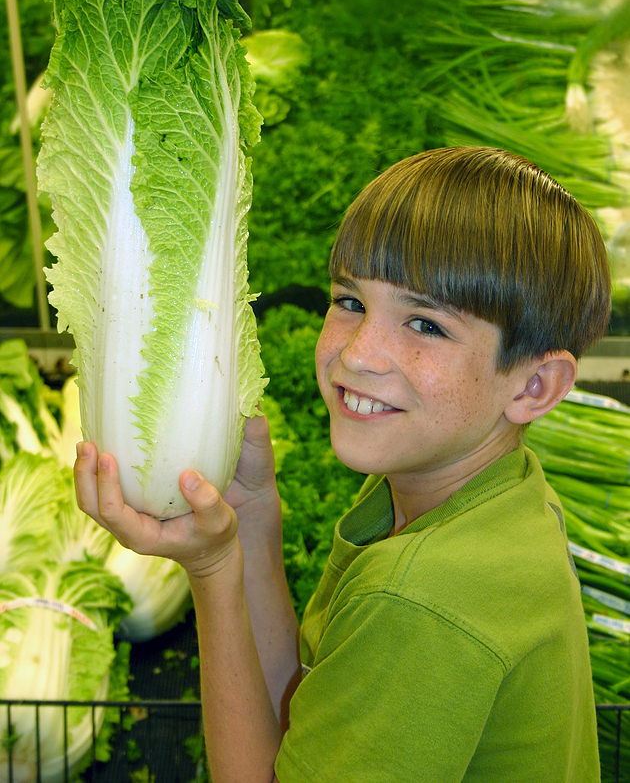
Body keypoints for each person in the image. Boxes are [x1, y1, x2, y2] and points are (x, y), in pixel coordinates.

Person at [75, 146, 609, 783]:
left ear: (534, 386)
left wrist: (212, 571)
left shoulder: (421, 596)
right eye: (350, 301)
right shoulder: (485, 496)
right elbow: (300, 706)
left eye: (425, 325)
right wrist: (249, 512)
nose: (358, 354)